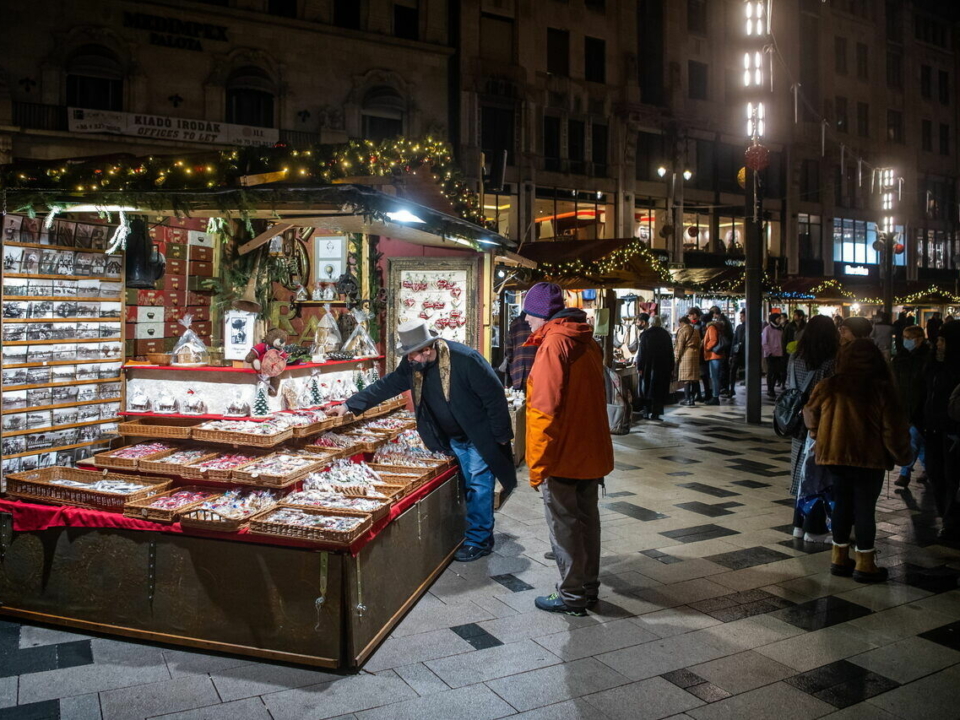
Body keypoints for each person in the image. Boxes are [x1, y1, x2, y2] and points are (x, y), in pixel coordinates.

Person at [330, 319, 516, 562]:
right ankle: (475, 532)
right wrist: (349, 405)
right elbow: (388, 385)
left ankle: (478, 541)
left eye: (413, 355)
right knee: (468, 483)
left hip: (478, 434)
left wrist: (501, 435)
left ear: (427, 349)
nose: (409, 360)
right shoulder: (412, 364)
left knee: (478, 484)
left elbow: (494, 396)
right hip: (447, 435)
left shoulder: (465, 359)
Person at [522, 282, 614, 616]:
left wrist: (537, 465)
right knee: (588, 522)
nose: (526, 321)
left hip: (563, 454)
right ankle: (588, 588)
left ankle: (571, 596)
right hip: (590, 451)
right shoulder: (587, 341)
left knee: (564, 526)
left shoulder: (554, 345)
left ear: (541, 313)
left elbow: (543, 411)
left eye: (529, 314)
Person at [803, 339, 912, 583]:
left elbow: (809, 412)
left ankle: (839, 559)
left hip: (835, 456)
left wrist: (817, 432)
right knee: (864, 508)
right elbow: (892, 431)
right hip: (868, 459)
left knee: (842, 503)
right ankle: (865, 563)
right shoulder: (882, 389)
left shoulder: (829, 385)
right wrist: (903, 456)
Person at [786, 316, 840, 540]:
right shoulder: (831, 362)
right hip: (821, 423)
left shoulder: (796, 356)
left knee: (802, 473)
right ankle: (814, 528)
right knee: (819, 476)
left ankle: (798, 524)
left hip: (798, 420)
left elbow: (790, 386)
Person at [921, 322, 960, 542]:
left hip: (952, 432)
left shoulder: (955, 368)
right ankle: (946, 516)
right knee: (936, 475)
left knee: (952, 476)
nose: (937, 344)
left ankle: (951, 521)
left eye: (943, 340)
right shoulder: (933, 364)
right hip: (932, 428)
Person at [892, 325, 932, 488]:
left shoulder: (927, 359)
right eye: (904, 337)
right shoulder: (900, 359)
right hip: (905, 407)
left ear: (919, 339)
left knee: (913, 441)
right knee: (920, 442)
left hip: (920, 407)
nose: (905, 341)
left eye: (909, 338)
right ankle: (929, 470)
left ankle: (904, 473)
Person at [635, 312, 675, 420]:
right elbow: (671, 352)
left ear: (650, 323)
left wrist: (640, 367)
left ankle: (646, 412)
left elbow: (641, 353)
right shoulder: (666, 335)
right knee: (659, 390)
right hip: (663, 368)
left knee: (646, 389)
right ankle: (656, 413)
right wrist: (671, 367)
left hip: (648, 367)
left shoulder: (645, 335)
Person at [503, 311, 537, 390]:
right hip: (535, 370)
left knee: (519, 399)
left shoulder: (514, 324)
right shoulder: (539, 323)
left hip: (518, 372)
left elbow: (509, 350)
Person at [702, 312, 729, 405]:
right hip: (718, 355)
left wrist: (707, 347)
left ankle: (715, 397)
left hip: (714, 355)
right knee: (715, 376)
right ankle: (715, 396)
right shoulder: (718, 327)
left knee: (714, 377)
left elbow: (713, 340)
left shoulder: (711, 328)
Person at [675, 316, 702, 406]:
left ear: (682, 322)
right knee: (693, 379)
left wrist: (676, 358)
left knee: (686, 378)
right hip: (695, 354)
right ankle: (692, 399)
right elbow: (700, 343)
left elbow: (680, 346)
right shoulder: (695, 331)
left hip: (686, 354)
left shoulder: (682, 331)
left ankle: (687, 399)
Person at [762, 313, 786, 398]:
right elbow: (764, 342)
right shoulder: (767, 329)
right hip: (770, 355)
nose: (779, 320)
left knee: (776, 372)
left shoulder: (780, 329)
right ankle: (770, 389)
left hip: (779, 354)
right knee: (771, 372)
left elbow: (782, 341)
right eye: (778, 318)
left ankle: (772, 387)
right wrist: (769, 352)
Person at [728, 309, 746, 396]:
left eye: (742, 317)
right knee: (733, 370)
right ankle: (731, 389)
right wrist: (731, 354)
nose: (741, 318)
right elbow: (734, 340)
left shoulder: (743, 327)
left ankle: (732, 389)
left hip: (741, 352)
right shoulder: (739, 327)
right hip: (738, 352)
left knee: (734, 370)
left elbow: (734, 341)